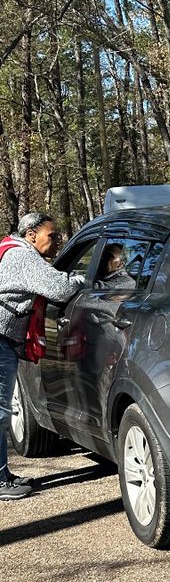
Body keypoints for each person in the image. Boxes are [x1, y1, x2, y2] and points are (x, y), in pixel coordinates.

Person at [0, 212, 85, 499]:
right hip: (1, 338)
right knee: (0, 411)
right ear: (31, 234)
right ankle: (1, 480)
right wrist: (80, 280)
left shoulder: (10, 249)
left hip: (4, 336)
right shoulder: (23, 256)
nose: (57, 241)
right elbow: (58, 289)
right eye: (52, 235)